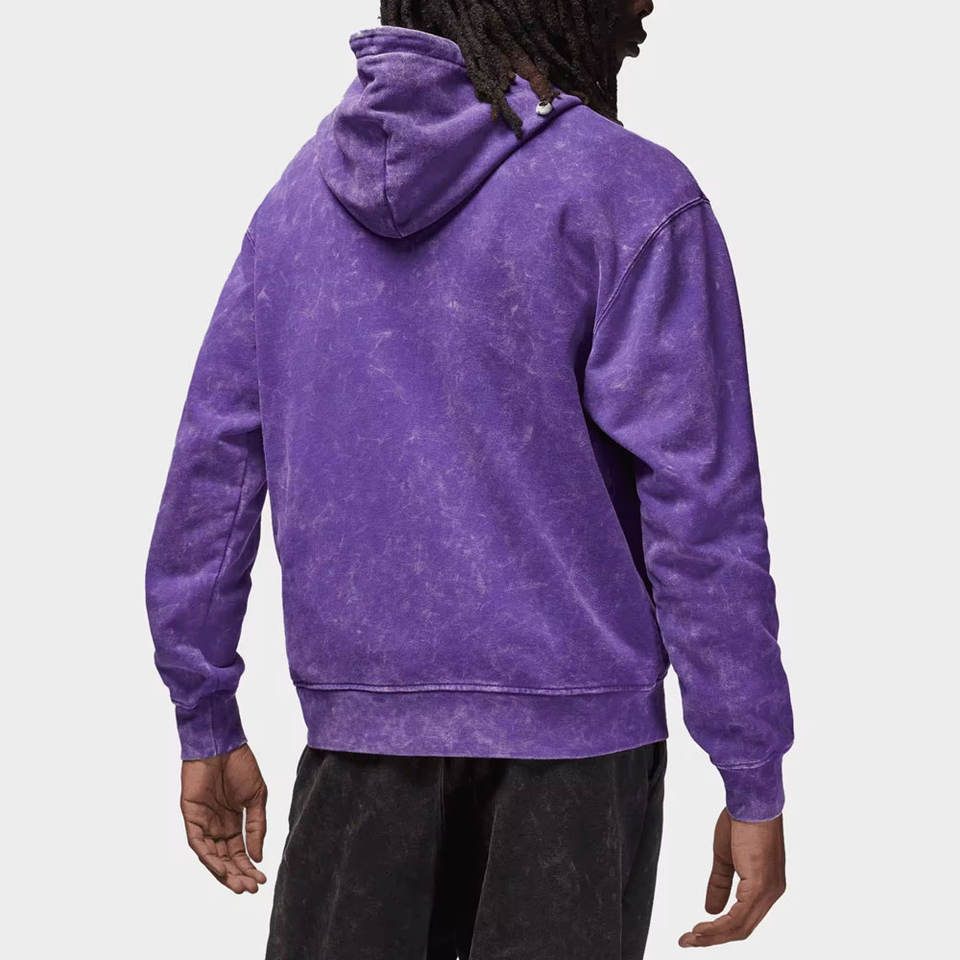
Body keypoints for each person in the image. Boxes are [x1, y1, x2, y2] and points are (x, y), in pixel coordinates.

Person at [145, 1, 794, 956]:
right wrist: (751, 770)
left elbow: (213, 480)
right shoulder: (628, 194)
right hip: (577, 763)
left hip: (360, 750)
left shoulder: (292, 209)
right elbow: (702, 512)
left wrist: (205, 719)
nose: (650, 0)